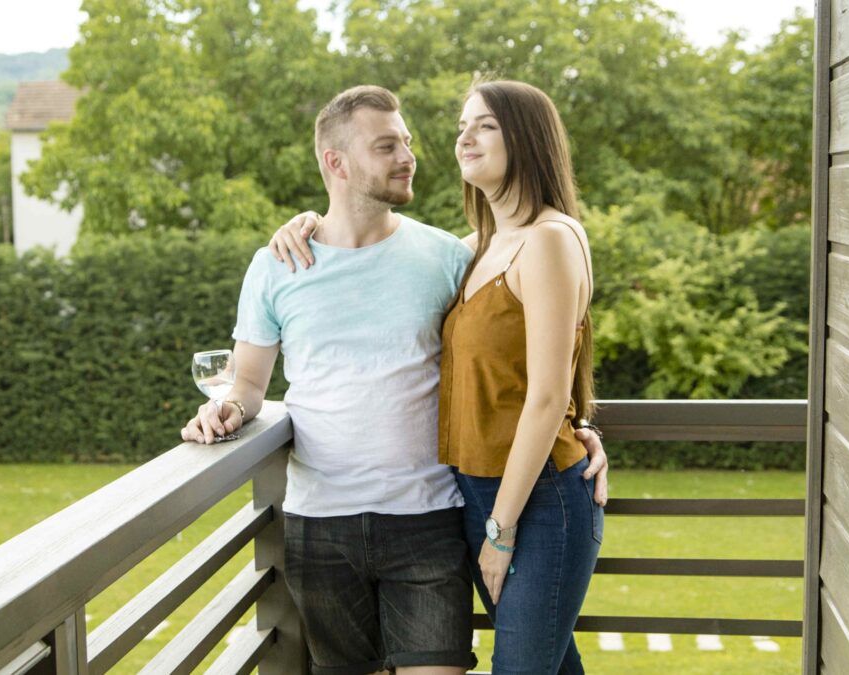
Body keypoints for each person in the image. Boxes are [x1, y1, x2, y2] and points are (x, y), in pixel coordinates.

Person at [268, 80, 604, 674]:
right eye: (461, 127)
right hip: (474, 496)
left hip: (538, 502)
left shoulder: (550, 239)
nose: (463, 138)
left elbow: (549, 392)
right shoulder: (476, 247)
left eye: (485, 126)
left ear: (527, 139)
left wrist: (502, 530)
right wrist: (304, 225)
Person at [182, 85, 481, 675]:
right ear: (335, 162)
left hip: (428, 519)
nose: (408, 156)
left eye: (408, 142)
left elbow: (514, 355)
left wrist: (578, 422)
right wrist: (228, 410)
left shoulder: (447, 258)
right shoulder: (278, 264)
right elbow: (247, 382)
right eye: (386, 144)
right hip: (320, 523)